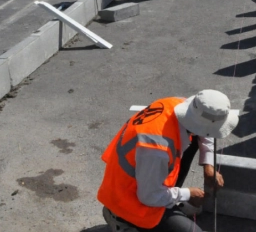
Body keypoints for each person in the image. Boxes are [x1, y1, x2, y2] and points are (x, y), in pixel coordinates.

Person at [98, 90, 239, 232]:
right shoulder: (156, 150)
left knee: (194, 141)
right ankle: (121, 220)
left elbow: (206, 131)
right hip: (128, 199)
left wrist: (208, 166)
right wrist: (187, 194)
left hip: (146, 179)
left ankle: (169, 201)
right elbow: (149, 197)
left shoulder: (181, 106)